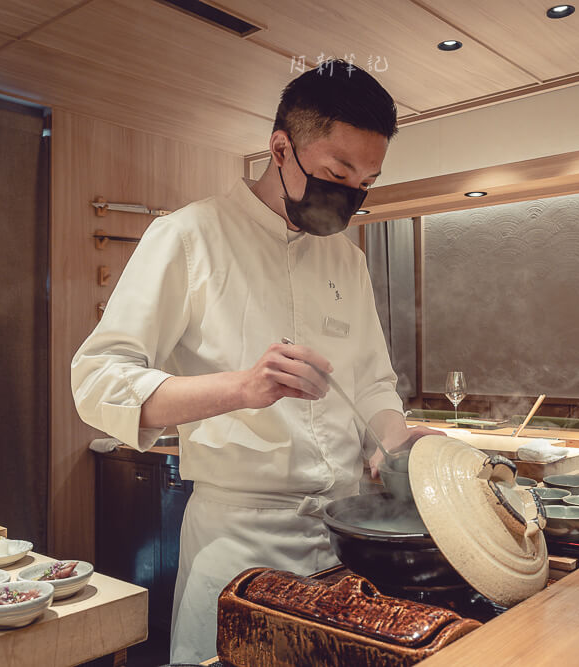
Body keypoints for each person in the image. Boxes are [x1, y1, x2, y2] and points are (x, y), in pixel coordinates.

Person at [71, 59, 439, 663]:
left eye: (366, 182)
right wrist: (242, 387)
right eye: (336, 173)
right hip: (239, 541)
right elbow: (97, 381)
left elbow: (373, 382)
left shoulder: (347, 260)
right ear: (279, 148)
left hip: (347, 545)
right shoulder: (189, 236)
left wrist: (395, 443)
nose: (349, 195)